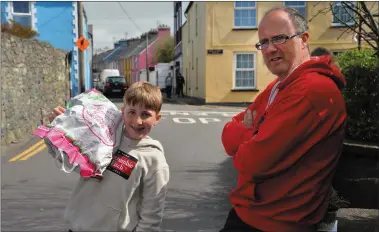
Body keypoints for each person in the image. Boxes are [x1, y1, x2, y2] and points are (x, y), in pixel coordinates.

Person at [220, 6, 346, 232]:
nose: (270, 49)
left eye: (279, 38)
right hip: (254, 214)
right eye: (264, 42)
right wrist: (251, 135)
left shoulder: (310, 90)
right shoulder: (281, 85)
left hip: (274, 222)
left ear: (304, 39)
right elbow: (227, 135)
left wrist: (247, 133)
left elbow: (251, 162)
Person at [47, 82, 169, 232]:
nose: (138, 121)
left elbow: (151, 217)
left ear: (157, 118)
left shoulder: (154, 161)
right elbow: (68, 161)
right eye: (132, 112)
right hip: (78, 226)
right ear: (122, 112)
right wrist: (63, 128)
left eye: (145, 114)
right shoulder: (104, 135)